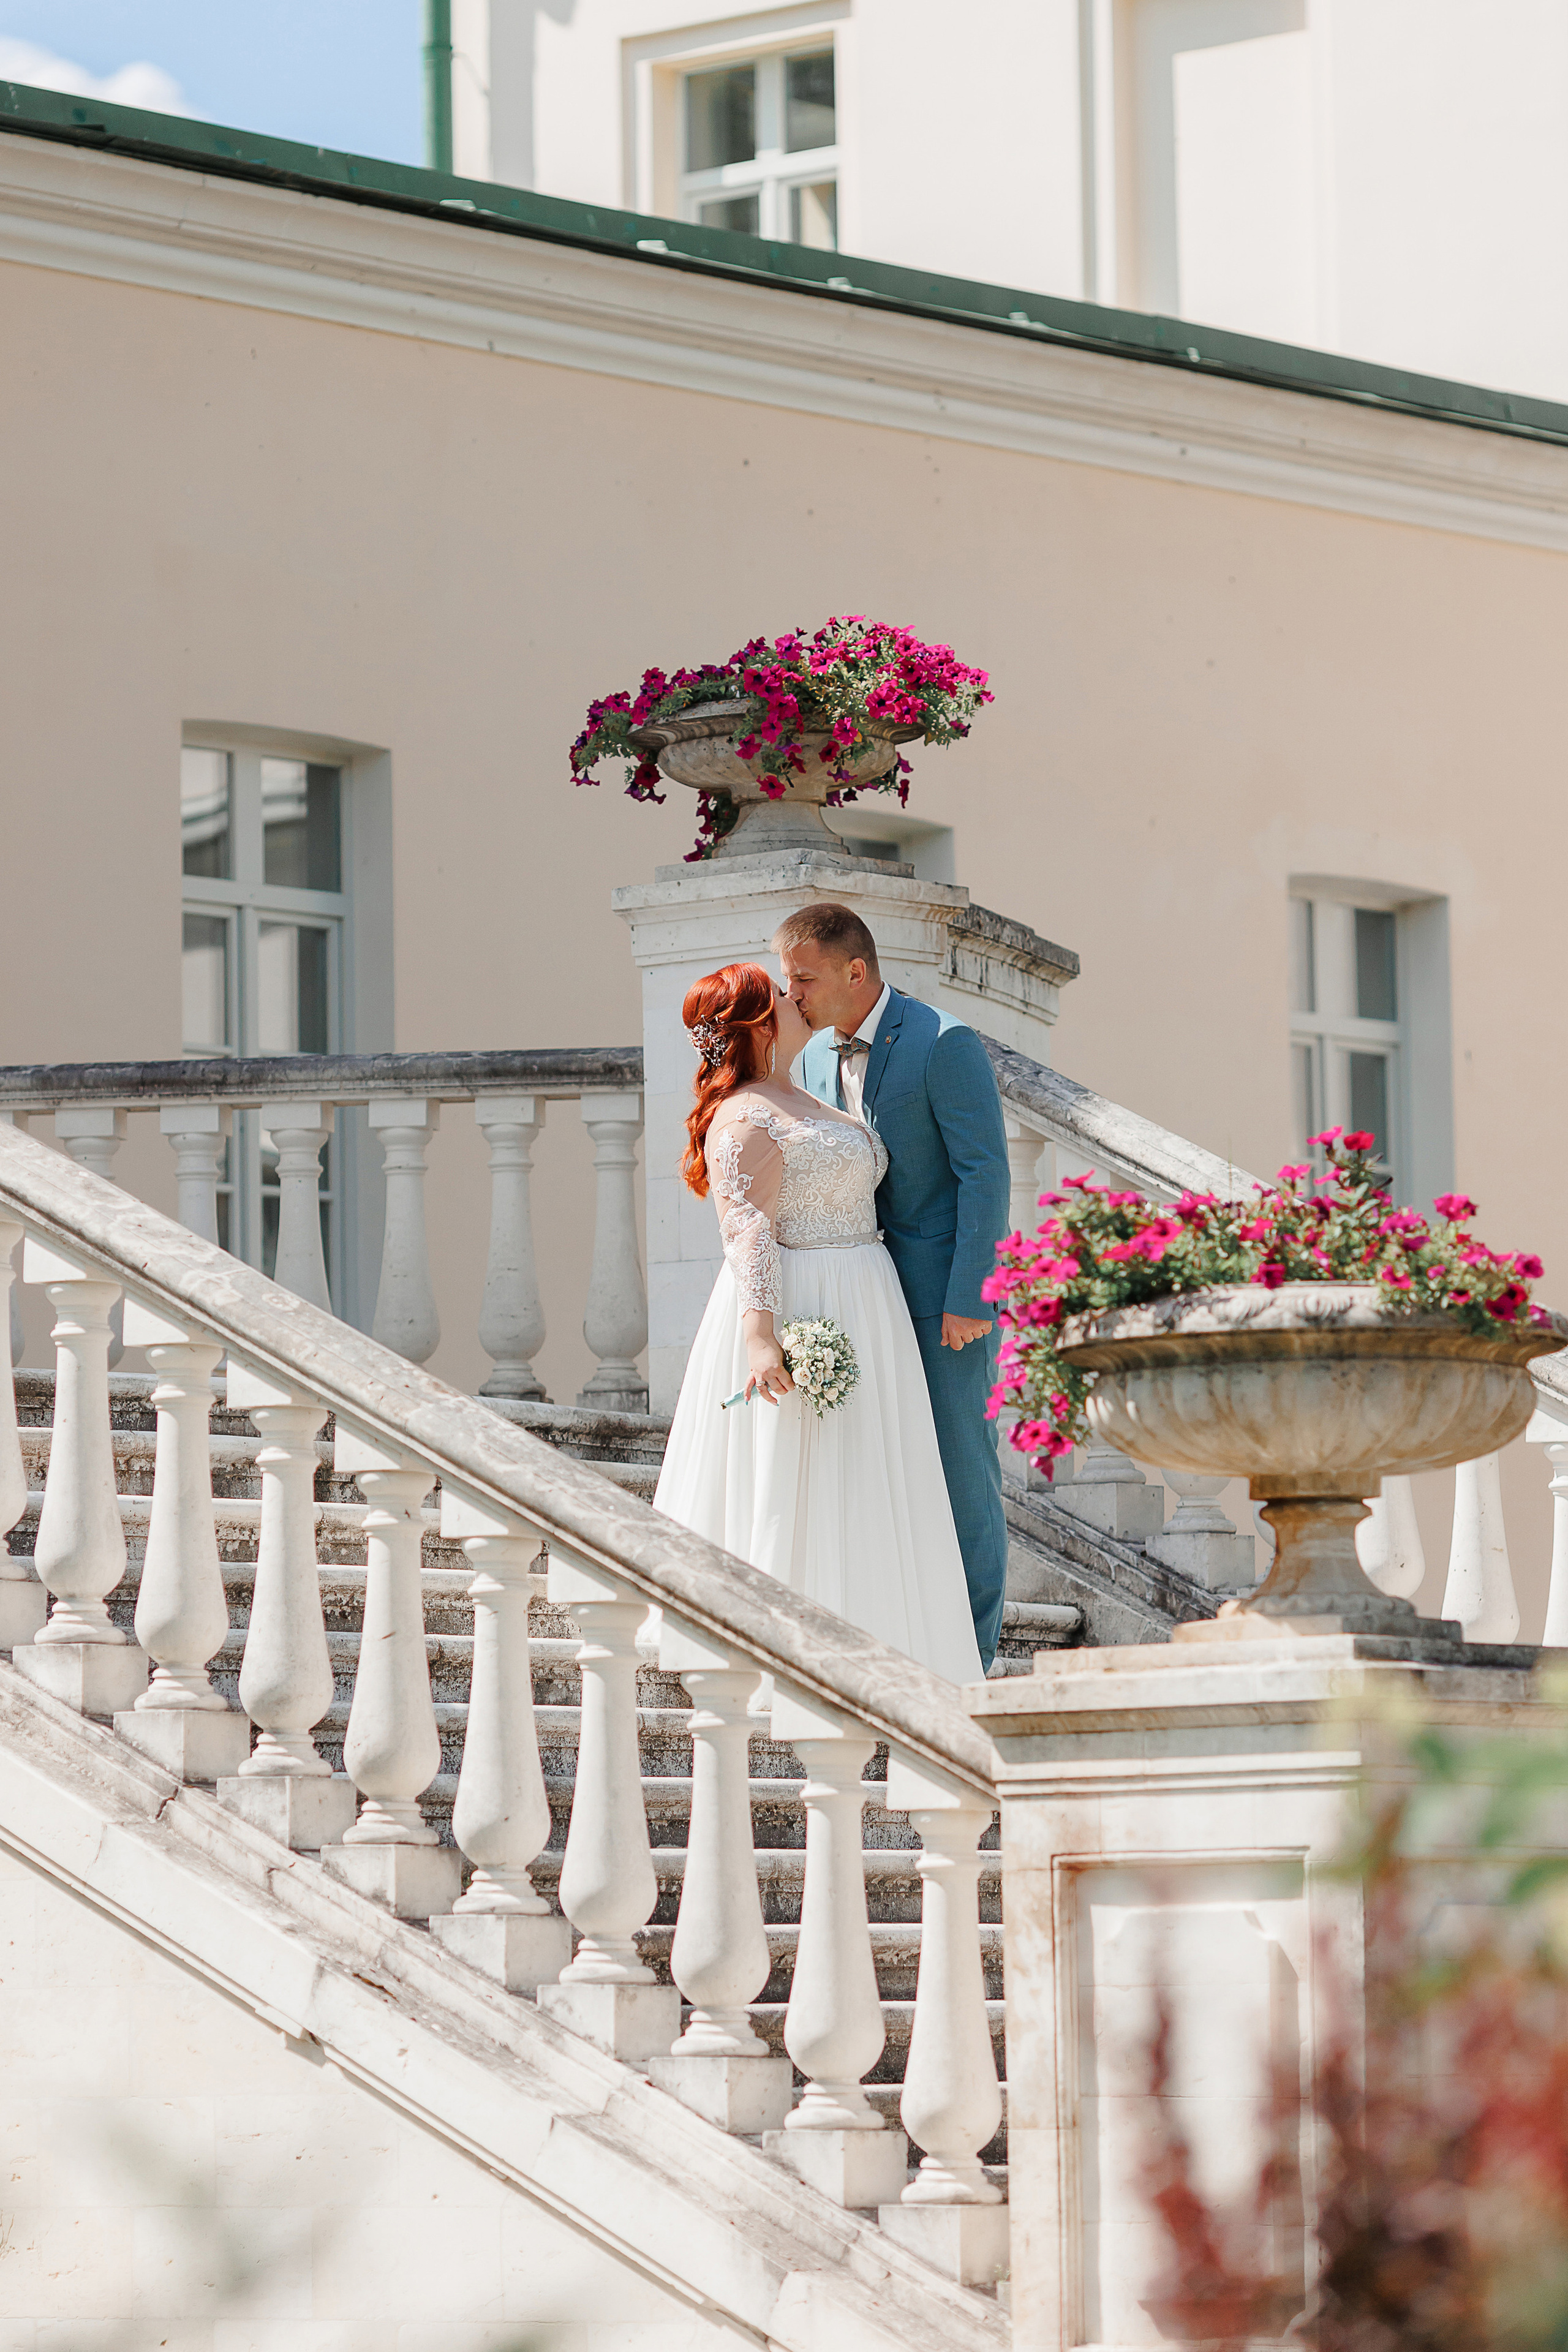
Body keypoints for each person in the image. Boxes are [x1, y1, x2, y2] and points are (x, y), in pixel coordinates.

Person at [652, 960, 984, 1685]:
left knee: (874, 1471)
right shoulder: (743, 1116)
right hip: (806, 1300)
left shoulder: (813, 1094)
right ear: (758, 1022)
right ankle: (791, 1654)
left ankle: (891, 1641)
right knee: (800, 1475)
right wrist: (761, 1336)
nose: (796, 995)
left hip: (871, 1297)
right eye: (782, 991)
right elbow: (748, 1233)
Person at [776, 903, 1011, 1671]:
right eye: (787, 980)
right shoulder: (810, 1060)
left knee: (959, 1476)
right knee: (877, 1471)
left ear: (855, 971)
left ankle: (972, 1659)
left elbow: (985, 1175)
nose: (794, 995)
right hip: (856, 1303)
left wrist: (971, 1296)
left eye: (804, 979)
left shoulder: (945, 1044)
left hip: (942, 1306)